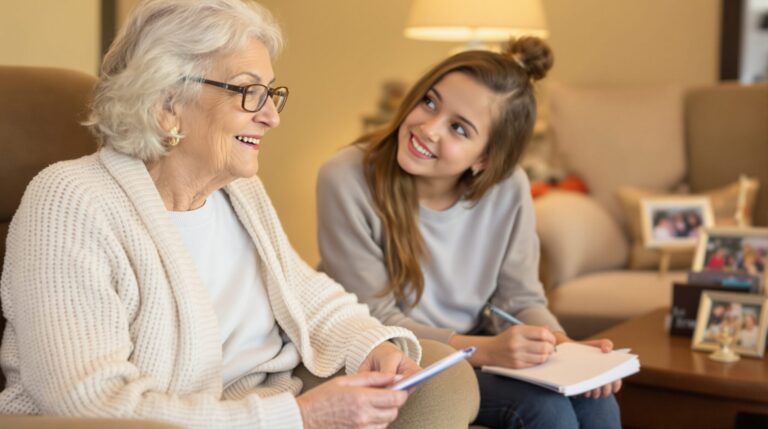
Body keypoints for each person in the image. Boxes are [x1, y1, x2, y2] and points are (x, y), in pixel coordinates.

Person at [0, 1, 480, 428]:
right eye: (249, 92)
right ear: (168, 102)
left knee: (443, 379)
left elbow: (305, 293)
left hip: (273, 400)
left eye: (272, 94)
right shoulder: (70, 200)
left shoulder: (239, 189)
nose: (272, 116)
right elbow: (90, 400)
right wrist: (299, 418)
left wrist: (373, 346)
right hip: (184, 419)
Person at [316, 37, 622, 429]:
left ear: (484, 159)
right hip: (400, 356)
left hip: (477, 349)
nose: (427, 128)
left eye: (458, 128)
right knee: (543, 410)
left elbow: (520, 298)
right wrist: (487, 350)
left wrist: (563, 347)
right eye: (429, 101)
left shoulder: (509, 188)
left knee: (597, 406)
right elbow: (376, 319)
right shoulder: (345, 178)